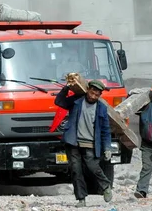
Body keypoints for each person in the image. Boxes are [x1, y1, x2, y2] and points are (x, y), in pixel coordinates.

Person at [55, 76, 113, 208]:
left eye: (97, 95)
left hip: (90, 143)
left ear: (100, 95)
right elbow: (59, 101)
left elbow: (105, 130)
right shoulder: (77, 101)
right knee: (76, 170)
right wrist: (66, 88)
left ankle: (105, 186)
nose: (93, 96)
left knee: (93, 167)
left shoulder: (101, 108)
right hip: (73, 142)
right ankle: (81, 199)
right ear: (87, 90)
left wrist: (107, 148)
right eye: (92, 93)